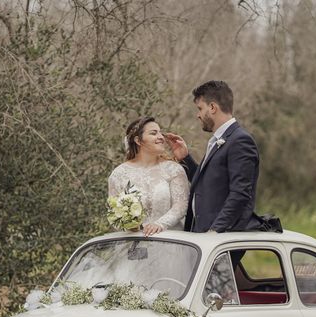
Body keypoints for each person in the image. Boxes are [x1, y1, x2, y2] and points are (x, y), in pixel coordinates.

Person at [165, 80, 262, 233]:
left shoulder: (240, 141)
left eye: (200, 108)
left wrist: (215, 230)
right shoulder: (219, 140)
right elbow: (208, 183)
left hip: (220, 239)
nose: (198, 115)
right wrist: (185, 158)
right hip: (203, 235)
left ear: (212, 107)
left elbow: (240, 193)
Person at [108, 116, 190, 236]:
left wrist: (160, 224)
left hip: (170, 242)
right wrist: (130, 226)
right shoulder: (118, 174)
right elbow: (113, 215)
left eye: (160, 133)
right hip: (133, 245)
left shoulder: (173, 169)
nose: (161, 137)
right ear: (138, 140)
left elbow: (181, 206)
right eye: (153, 133)